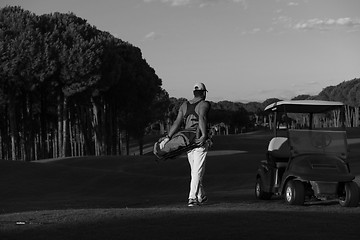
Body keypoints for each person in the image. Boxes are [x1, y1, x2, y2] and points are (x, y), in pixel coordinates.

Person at [159, 82, 211, 207]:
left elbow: (177, 122)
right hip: (198, 141)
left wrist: (168, 137)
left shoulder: (184, 105)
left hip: (187, 141)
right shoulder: (204, 104)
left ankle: (201, 196)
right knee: (197, 172)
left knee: (195, 171)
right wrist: (204, 135)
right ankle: (192, 198)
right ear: (203, 93)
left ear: (194, 92)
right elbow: (202, 118)